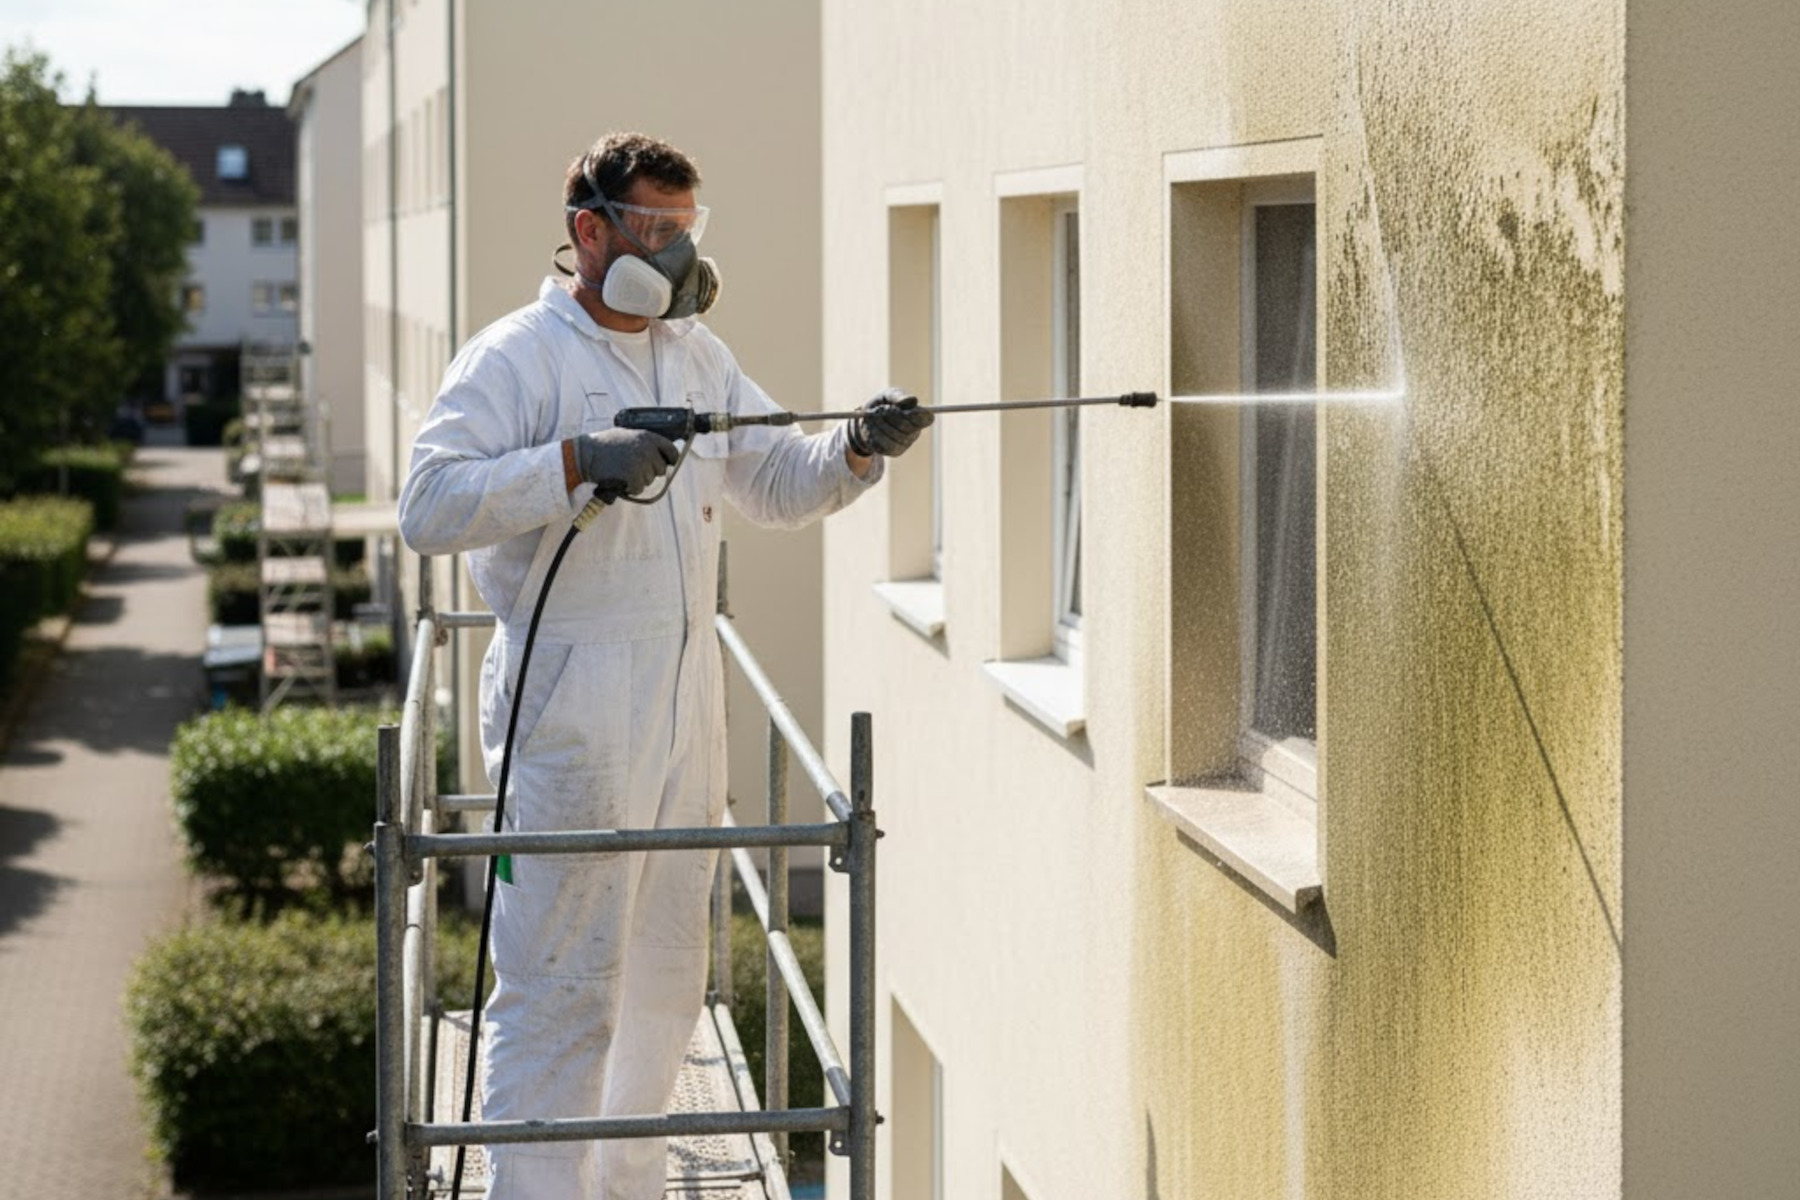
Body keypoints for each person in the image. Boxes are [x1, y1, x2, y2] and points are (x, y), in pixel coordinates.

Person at [397, 131, 929, 1200]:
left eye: (688, 232)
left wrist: (859, 448)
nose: (678, 257)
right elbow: (428, 505)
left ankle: (626, 1183)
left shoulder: (693, 356)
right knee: (561, 989)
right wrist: (573, 461)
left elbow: (776, 477)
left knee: (664, 981)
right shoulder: (516, 358)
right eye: (655, 231)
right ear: (588, 231)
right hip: (570, 723)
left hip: (684, 711)